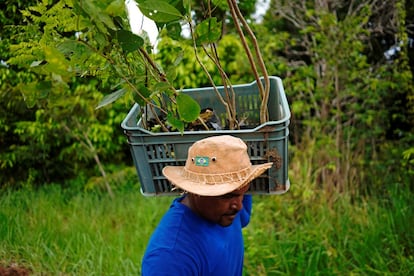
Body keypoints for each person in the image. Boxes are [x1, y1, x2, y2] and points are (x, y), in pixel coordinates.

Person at [141, 135, 273, 275]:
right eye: (227, 195)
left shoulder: (229, 209)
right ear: (196, 191)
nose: (239, 206)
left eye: (243, 192)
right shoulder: (170, 258)